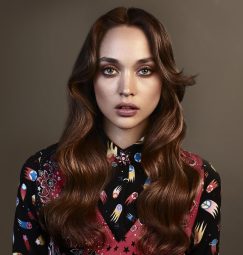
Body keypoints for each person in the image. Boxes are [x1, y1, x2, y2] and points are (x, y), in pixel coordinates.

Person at [12, 6, 221, 255]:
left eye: (144, 70)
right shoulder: (41, 173)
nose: (126, 88)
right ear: (91, 78)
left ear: (163, 79)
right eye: (110, 70)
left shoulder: (198, 179)